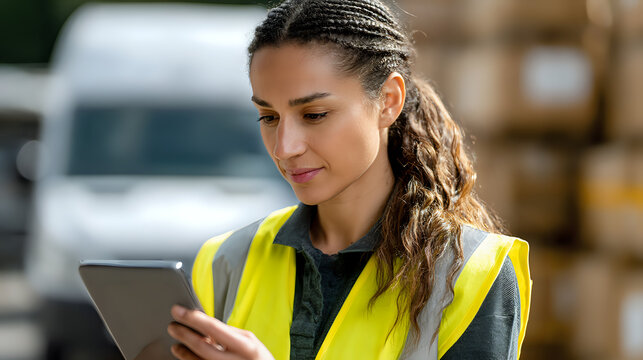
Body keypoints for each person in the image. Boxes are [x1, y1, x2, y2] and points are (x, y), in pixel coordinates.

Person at [166, 0, 532, 359]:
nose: (284, 148)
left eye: (314, 114)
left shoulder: (471, 273)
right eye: (269, 117)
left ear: (388, 100)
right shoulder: (224, 261)